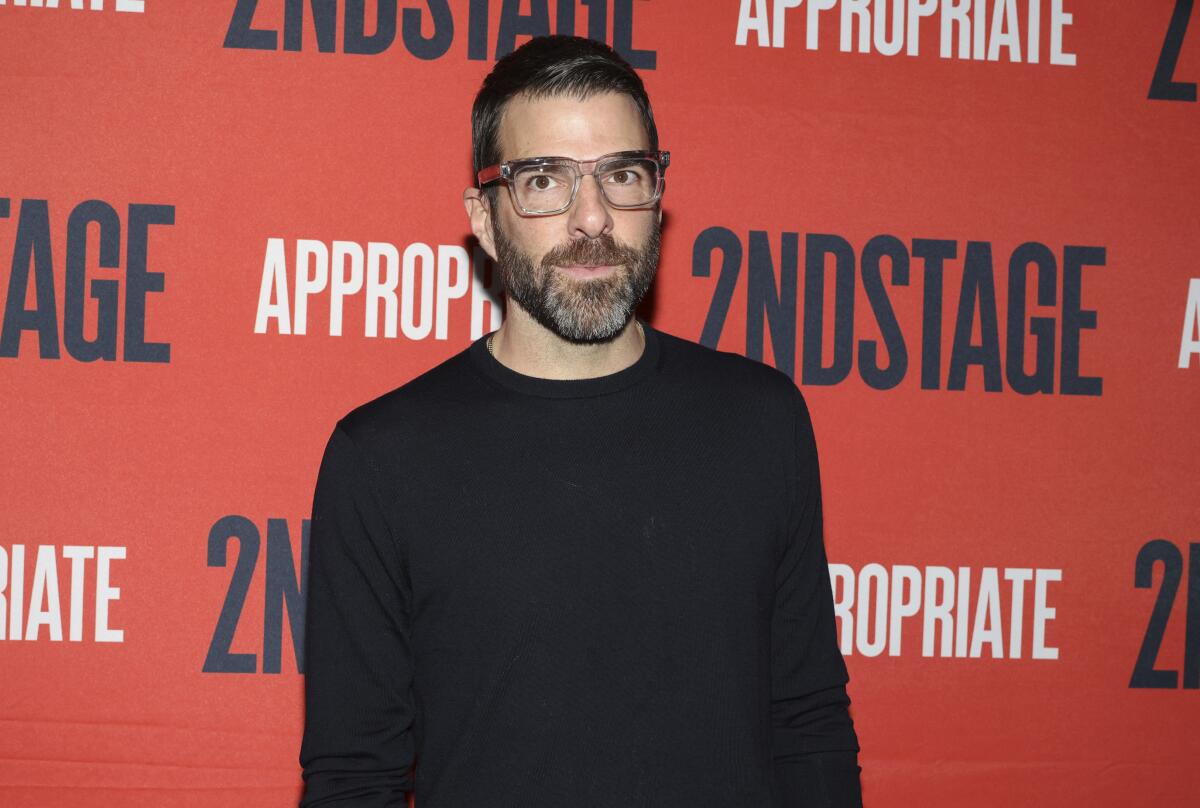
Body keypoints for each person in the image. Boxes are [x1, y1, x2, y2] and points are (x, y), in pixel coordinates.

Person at [299, 35, 861, 808]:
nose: (592, 217)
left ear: (659, 199)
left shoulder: (762, 422)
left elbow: (808, 726)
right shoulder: (383, 459)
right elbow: (353, 778)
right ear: (486, 220)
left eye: (622, 175)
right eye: (544, 179)